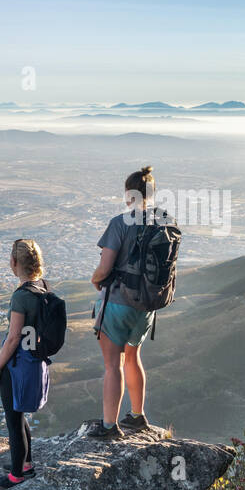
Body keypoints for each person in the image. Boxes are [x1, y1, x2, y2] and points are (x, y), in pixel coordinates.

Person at [87, 165, 157, 439]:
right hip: (147, 305)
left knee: (111, 365)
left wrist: (96, 280)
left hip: (118, 302)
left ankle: (108, 426)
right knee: (133, 357)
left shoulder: (120, 223)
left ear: (129, 193)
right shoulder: (164, 222)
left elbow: (104, 269)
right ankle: (138, 416)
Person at [0, 239, 48, 487]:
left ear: (14, 263)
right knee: (20, 414)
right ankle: (25, 464)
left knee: (13, 419)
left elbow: (13, 338)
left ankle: (15, 476)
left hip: (16, 364)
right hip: (34, 361)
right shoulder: (43, 288)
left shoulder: (21, 296)